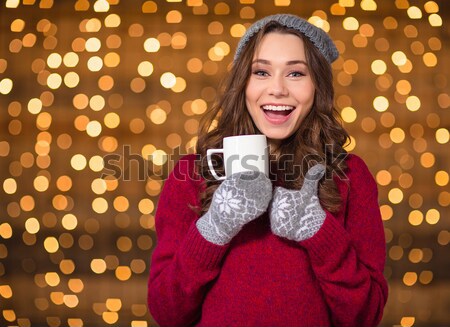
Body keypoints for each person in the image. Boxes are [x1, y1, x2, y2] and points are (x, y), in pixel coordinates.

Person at [147, 13, 388, 327]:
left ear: (318, 87)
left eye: (296, 74)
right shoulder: (192, 174)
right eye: (261, 71)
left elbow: (365, 316)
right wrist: (214, 228)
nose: (277, 89)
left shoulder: (350, 176)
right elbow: (168, 312)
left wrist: (320, 233)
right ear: (243, 84)